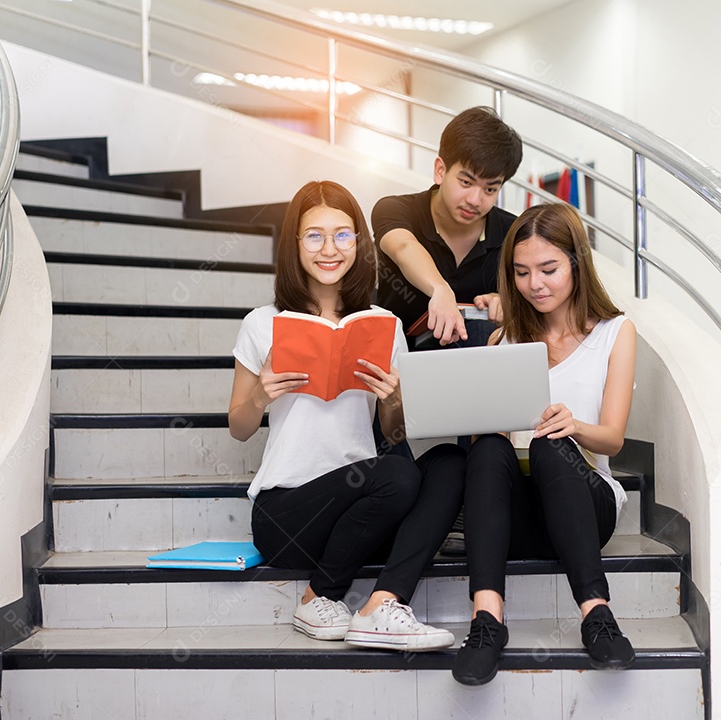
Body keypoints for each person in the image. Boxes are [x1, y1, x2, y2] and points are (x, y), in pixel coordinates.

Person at [229, 180, 464, 652]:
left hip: (363, 516)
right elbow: (238, 427)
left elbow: (395, 433)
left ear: (359, 242)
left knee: (449, 463)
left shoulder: (384, 324)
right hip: (289, 517)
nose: (329, 249)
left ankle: (381, 605)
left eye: (343, 234)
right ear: (294, 245)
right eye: (314, 236)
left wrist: (392, 398)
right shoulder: (262, 322)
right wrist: (259, 394)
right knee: (395, 474)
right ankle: (321, 597)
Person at [451, 202, 639, 685]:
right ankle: (487, 621)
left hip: (582, 505)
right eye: (521, 272)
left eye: (549, 269)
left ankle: (597, 614)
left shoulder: (615, 334)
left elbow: (614, 440)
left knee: (551, 444)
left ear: (577, 262)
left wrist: (573, 425)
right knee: (490, 449)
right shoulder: (503, 341)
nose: (535, 284)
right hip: (517, 519)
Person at [372, 106, 524, 350]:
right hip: (397, 367)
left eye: (490, 189)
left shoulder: (514, 233)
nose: (475, 200)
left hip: (481, 369)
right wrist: (440, 290)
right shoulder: (395, 209)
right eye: (466, 182)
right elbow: (403, 246)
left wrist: (507, 303)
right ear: (440, 170)